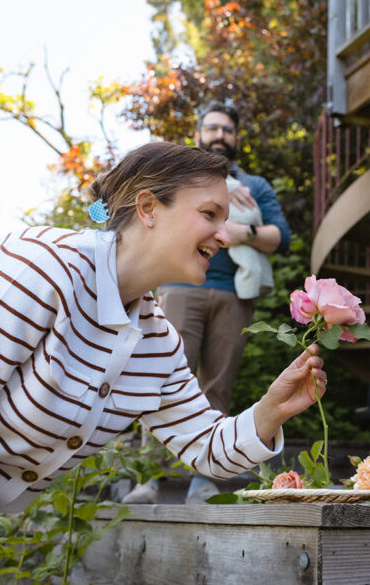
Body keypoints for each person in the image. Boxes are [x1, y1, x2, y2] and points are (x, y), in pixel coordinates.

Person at [0, 141, 326, 585]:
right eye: (211, 214)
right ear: (148, 207)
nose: (225, 233)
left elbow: (205, 448)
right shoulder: (39, 266)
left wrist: (270, 411)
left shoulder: (155, 342)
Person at [140, 101, 291, 504]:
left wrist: (244, 230)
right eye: (212, 128)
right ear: (198, 135)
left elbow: (282, 237)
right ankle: (149, 479)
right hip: (178, 289)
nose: (219, 135)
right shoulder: (179, 178)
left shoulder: (255, 186)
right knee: (157, 380)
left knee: (215, 388)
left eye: (226, 129)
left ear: (236, 138)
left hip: (232, 293)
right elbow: (131, 211)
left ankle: (202, 481)